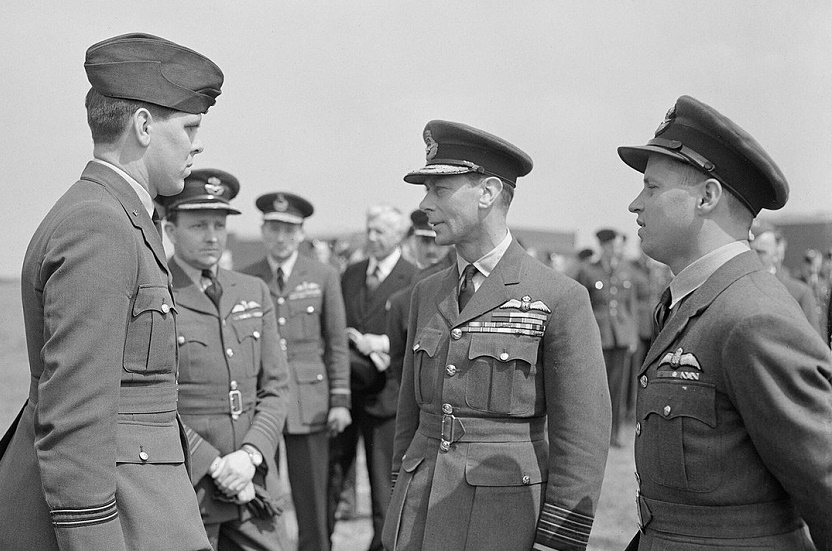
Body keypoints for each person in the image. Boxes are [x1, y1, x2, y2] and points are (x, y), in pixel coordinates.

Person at [0, 33, 223, 551]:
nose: (197, 143)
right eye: (189, 126)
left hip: (144, 505)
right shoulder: (99, 226)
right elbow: (75, 412)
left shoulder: (114, 216)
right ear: (144, 126)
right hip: (119, 520)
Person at [383, 120, 611, 551]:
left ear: (487, 193)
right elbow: (409, 415)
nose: (425, 203)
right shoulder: (426, 293)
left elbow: (582, 434)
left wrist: (558, 539)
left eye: (440, 190)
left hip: (503, 520)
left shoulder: (558, 296)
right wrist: (400, 493)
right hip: (419, 513)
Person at [619, 95, 832, 550]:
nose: (635, 205)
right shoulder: (694, 300)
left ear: (707, 198)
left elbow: (824, 481)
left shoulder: (753, 317)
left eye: (652, 188)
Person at [160, 170, 291, 550]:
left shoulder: (252, 290)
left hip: (255, 484)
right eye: (199, 225)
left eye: (219, 224)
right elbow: (151, 403)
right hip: (192, 487)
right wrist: (215, 464)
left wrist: (250, 456)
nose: (212, 235)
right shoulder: (156, 292)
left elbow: (276, 386)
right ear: (170, 230)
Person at [241, 191, 352, 551]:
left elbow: (335, 342)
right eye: (273, 228)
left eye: (289, 229)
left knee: (312, 500)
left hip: (311, 404)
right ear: (263, 230)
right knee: (260, 496)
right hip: (263, 404)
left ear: (301, 233)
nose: (280, 237)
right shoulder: (246, 278)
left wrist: (340, 400)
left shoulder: (322, 275)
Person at [329, 205, 417, 551]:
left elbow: (415, 337)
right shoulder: (351, 273)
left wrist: (377, 343)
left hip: (387, 398)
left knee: (384, 488)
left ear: (397, 236)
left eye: (381, 231)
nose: (373, 237)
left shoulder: (414, 278)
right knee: (332, 480)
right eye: (370, 229)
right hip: (347, 396)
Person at [576, 228, 638, 446]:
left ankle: (616, 432)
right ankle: (594, 433)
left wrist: (632, 336)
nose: (617, 250)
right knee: (595, 386)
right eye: (613, 246)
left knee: (618, 388)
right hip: (598, 334)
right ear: (603, 247)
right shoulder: (588, 270)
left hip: (620, 335)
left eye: (619, 246)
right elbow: (581, 305)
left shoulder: (626, 269)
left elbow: (629, 305)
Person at [385, 210, 455, 402]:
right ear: (413, 241)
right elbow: (400, 363)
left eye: (437, 241)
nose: (431, 249)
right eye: (425, 241)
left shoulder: (457, 282)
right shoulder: (403, 294)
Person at [750, 226, 822, 335]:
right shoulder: (742, 288)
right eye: (751, 251)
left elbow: (815, 342)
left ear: (776, 254)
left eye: (761, 252)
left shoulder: (798, 292)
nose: (754, 256)